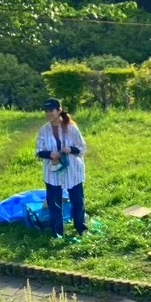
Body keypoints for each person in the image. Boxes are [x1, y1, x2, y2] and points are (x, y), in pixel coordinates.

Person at [36, 98, 87, 239]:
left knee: (77, 202)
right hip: (53, 171)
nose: (48, 114)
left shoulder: (71, 128)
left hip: (73, 170)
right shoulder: (43, 129)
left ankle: (81, 228)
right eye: (46, 111)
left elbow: (82, 148)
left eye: (51, 110)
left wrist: (70, 149)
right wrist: (50, 154)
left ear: (59, 110)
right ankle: (57, 233)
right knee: (54, 205)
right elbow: (38, 151)